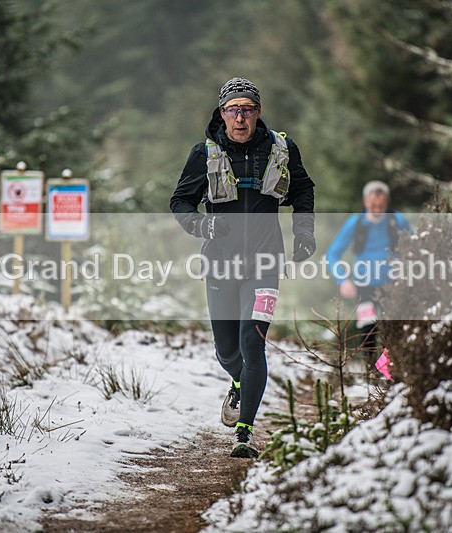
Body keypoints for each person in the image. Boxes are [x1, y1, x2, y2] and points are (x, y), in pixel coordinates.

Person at [170, 77, 315, 458]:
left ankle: (244, 432)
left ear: (258, 112)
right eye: (233, 110)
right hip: (220, 263)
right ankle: (239, 382)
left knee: (253, 343)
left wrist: (303, 232)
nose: (240, 117)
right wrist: (203, 226)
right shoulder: (204, 153)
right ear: (222, 114)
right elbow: (180, 202)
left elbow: (303, 190)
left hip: (266, 263)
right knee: (227, 351)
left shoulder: (281, 149)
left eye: (247, 109)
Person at [325, 180, 411, 363]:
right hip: (364, 287)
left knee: (394, 331)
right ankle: (371, 371)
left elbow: (415, 248)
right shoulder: (355, 223)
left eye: (381, 206)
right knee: (368, 331)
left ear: (387, 203)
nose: (377, 210)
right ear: (365, 202)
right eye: (373, 206)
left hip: (393, 285)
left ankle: (390, 370)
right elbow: (332, 255)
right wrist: (343, 280)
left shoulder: (397, 220)